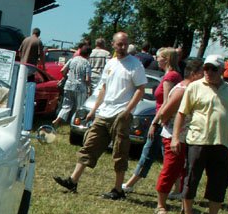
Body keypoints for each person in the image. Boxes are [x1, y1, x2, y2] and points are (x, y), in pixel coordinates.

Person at [53, 32, 146, 199]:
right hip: (104, 113)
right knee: (90, 144)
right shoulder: (110, 63)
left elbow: (140, 90)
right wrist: (94, 110)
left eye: (125, 44)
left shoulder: (135, 64)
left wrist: (127, 111)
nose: (123, 47)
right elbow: (104, 88)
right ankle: (73, 181)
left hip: (121, 115)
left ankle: (118, 190)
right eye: (120, 44)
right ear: (113, 44)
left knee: (119, 151)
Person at [171, 54, 228, 214]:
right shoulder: (194, 87)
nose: (208, 72)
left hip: (221, 143)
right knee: (192, 178)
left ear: (222, 70)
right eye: (206, 68)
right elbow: (181, 113)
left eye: (213, 69)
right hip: (197, 141)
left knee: (218, 182)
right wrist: (175, 137)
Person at [148, 58, 204, 214]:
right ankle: (160, 206)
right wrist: (169, 130)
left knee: (187, 173)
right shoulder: (182, 90)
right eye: (202, 73)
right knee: (170, 170)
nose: (205, 76)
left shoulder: (193, 89)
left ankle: (184, 208)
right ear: (193, 74)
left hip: (189, 138)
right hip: (174, 137)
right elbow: (165, 112)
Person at [122, 47, 182, 193]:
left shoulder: (170, 77)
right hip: (165, 120)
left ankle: (130, 184)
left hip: (163, 120)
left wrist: (155, 123)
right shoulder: (173, 75)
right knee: (168, 156)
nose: (156, 59)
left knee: (148, 152)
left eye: (159, 57)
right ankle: (178, 188)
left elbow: (167, 102)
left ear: (166, 59)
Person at [52, 46, 92, 127]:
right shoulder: (86, 63)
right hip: (80, 87)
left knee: (66, 105)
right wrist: (89, 88)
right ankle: (76, 122)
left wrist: (67, 77)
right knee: (79, 107)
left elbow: (62, 70)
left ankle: (58, 119)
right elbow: (87, 79)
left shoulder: (72, 60)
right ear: (88, 54)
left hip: (68, 85)